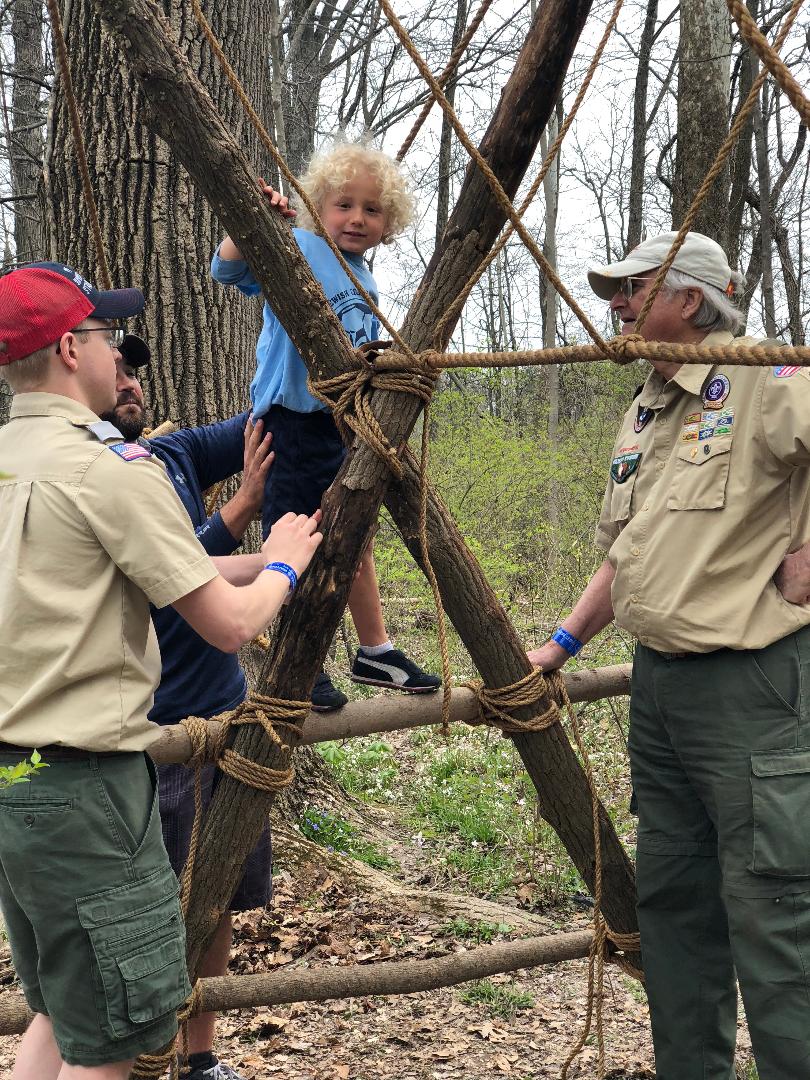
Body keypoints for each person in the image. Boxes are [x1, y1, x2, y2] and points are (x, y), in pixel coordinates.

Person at [0, 262, 321, 1080]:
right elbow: (230, 625)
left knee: (65, 1010)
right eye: (107, 335)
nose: (119, 355)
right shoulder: (111, 470)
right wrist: (283, 563)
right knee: (117, 1047)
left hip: (13, 782)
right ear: (69, 348)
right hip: (85, 790)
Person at [528, 230, 810, 1080]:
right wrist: (562, 642)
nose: (615, 303)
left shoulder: (766, 376)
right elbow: (629, 554)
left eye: (633, 286)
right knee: (677, 907)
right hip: (658, 690)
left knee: (775, 912)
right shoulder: (648, 405)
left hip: (751, 686)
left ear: (690, 299)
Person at [211, 142, 441, 710]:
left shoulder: (365, 279)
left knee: (353, 534)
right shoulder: (302, 246)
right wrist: (251, 220)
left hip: (335, 426)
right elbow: (227, 267)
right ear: (318, 207)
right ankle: (297, 662)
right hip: (289, 423)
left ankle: (374, 649)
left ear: (389, 222)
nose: (357, 218)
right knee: (293, 537)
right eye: (344, 205)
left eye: (372, 209)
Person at [100, 338, 271, 1080]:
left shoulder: (170, 456)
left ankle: (198, 1058)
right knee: (149, 907)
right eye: (114, 368)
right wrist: (239, 515)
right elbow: (161, 586)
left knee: (215, 899)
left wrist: (308, 316)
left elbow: (269, 417)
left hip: (224, 715)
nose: (130, 382)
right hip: (155, 729)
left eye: (135, 369)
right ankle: (144, 1055)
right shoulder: (96, 474)